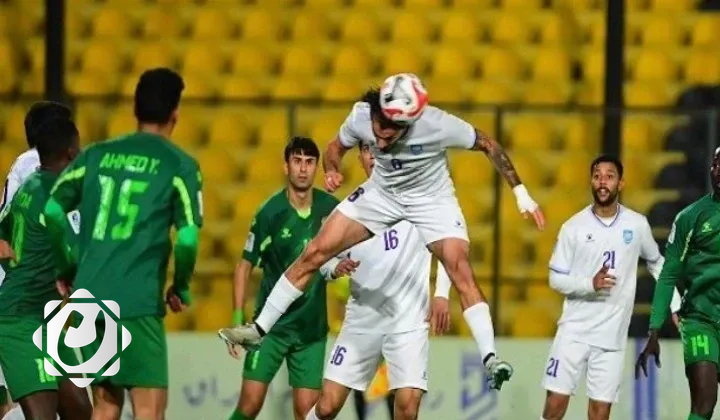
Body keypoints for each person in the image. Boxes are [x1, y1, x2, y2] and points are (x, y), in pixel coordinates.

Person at [220, 73, 545, 390]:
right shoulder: (361, 116)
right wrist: (332, 169)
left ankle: (490, 359)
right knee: (315, 251)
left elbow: (488, 143)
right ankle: (258, 330)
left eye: (393, 136)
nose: (383, 143)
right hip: (383, 193)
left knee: (460, 268)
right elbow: (335, 147)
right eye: (380, 133)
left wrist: (521, 193)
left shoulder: (437, 124)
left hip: (432, 199)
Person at [43, 68, 203, 420]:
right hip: (136, 301)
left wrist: (66, 267)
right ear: (175, 113)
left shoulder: (96, 156)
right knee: (149, 410)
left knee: (105, 406)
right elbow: (188, 238)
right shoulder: (179, 165)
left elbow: (53, 211)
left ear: (135, 108)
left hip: (90, 297)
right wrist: (180, 285)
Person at [306, 142, 452, 420]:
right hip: (362, 321)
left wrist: (442, 293)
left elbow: (449, 244)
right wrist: (334, 268)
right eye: (366, 150)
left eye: (378, 149)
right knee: (327, 406)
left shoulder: (421, 199)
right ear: (360, 158)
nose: (373, 156)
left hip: (408, 321)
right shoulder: (349, 210)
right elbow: (321, 258)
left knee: (407, 407)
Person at [541, 155, 681, 420]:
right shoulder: (573, 227)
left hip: (612, 337)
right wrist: (589, 284)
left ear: (621, 183)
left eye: (609, 176)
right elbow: (555, 279)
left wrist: (675, 304)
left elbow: (657, 263)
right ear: (591, 183)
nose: (602, 182)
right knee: (555, 404)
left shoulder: (636, 224)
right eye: (597, 176)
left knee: (600, 412)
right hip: (574, 332)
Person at [226, 137, 345, 420]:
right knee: (250, 404)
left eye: (309, 162)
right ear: (286, 166)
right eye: (297, 161)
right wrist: (237, 318)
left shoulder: (331, 209)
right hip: (271, 329)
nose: (303, 169)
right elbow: (244, 266)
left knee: (306, 412)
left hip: (311, 332)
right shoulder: (270, 213)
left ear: (316, 167)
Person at [0, 118, 92, 420]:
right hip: (19, 320)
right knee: (41, 416)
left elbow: (4, 230)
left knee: (80, 411)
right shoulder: (59, 197)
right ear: (70, 153)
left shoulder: (31, 184)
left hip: (46, 316)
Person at [636, 146, 720, 420]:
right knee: (704, 404)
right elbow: (668, 274)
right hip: (700, 320)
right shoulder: (690, 217)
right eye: (717, 164)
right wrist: (654, 330)